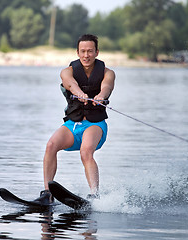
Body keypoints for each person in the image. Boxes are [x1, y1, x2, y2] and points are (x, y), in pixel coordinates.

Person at [35, 34, 115, 204]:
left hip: (95, 125)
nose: (86, 55)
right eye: (83, 51)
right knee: (50, 145)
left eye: (90, 51)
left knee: (86, 151)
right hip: (73, 124)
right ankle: (47, 194)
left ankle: (94, 195)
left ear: (97, 52)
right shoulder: (67, 71)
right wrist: (78, 92)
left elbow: (107, 86)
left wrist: (101, 95)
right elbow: (69, 83)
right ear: (77, 53)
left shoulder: (108, 73)